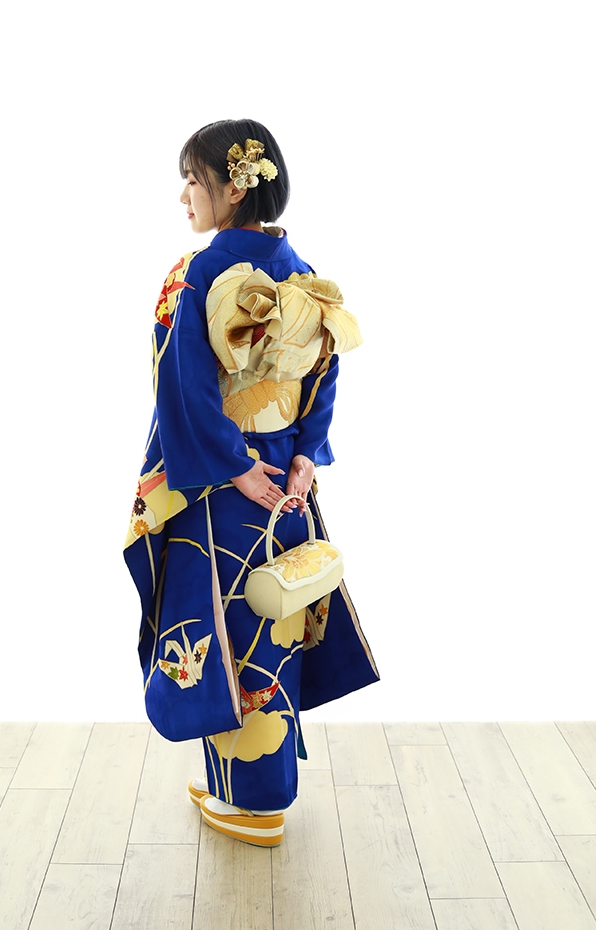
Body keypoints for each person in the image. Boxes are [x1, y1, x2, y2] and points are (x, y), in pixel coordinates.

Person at [123, 118, 379, 847]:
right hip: (286, 491)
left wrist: (234, 465)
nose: (184, 196)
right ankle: (245, 783)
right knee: (272, 630)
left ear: (233, 188)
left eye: (193, 181)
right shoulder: (304, 274)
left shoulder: (195, 274)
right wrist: (305, 456)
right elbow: (325, 370)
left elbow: (179, 384)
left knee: (226, 634)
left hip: (223, 491)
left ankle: (255, 803)